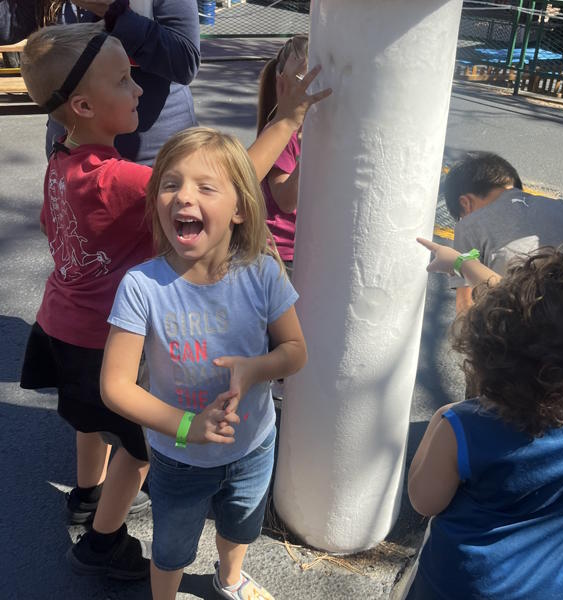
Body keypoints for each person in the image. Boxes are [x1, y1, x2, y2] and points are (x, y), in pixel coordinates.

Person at [18, 21, 330, 581]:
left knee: (91, 423)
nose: (139, 88)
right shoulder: (116, 178)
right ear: (85, 105)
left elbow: (51, 226)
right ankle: (102, 542)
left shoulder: (61, 162)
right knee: (139, 448)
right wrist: (285, 120)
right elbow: (232, 182)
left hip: (60, 322)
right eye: (124, 79)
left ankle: (86, 496)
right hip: (100, 335)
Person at [100, 127, 308, 600]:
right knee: (172, 545)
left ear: (239, 209)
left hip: (253, 444)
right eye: (170, 184)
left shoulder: (262, 271)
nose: (182, 197)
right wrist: (186, 426)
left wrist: (256, 368)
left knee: (241, 526)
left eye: (205, 187)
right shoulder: (142, 286)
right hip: (178, 456)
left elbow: (295, 350)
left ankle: (229, 579)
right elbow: (115, 386)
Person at [404, 237, 563, 600]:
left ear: (481, 356)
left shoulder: (462, 426)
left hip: (457, 588)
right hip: (549, 591)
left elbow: (424, 500)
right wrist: (462, 262)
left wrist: (439, 421)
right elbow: (542, 327)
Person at [44, 0, 201, 165]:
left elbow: (185, 61)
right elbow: (16, 29)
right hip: (69, 149)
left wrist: (114, 14)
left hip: (150, 154)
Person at [443, 152, 563, 314]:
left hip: (516, 331)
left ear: (465, 203)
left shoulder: (468, 226)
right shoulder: (562, 207)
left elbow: (465, 306)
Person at [257, 35, 308, 277]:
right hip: (281, 255)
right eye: (303, 81)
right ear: (282, 85)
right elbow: (286, 201)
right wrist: (307, 157)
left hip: (307, 248)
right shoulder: (283, 134)